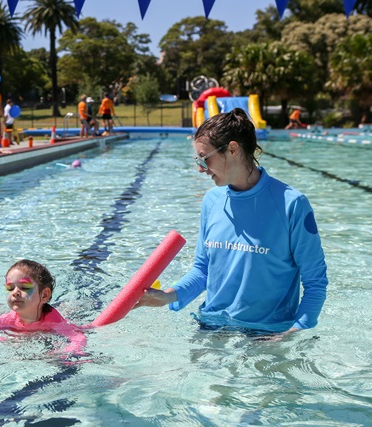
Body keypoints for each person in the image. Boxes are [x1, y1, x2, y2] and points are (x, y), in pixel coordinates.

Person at [135, 108, 328, 337]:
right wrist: (168, 296)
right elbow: (203, 270)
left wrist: (292, 333)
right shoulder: (212, 201)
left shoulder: (292, 204)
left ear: (233, 149)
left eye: (205, 159)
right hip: (211, 325)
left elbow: (315, 283)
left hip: (268, 334)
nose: (200, 169)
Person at [0, 259, 86, 354]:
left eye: (24, 287)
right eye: (10, 288)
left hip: (53, 313)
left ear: (44, 295)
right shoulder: (9, 319)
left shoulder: (53, 322)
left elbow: (79, 338)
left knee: (70, 309)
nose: (15, 293)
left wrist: (63, 353)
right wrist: (0, 340)